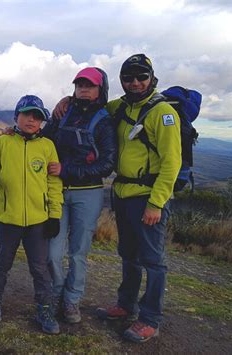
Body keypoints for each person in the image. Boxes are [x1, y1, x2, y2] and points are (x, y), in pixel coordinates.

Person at [54, 54, 181, 343]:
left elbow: (172, 163)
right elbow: (89, 103)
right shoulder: (120, 107)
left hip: (148, 195)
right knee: (128, 254)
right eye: (128, 77)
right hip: (122, 193)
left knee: (153, 259)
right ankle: (126, 305)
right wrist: (66, 99)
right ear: (121, 81)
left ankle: (150, 319)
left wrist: (156, 203)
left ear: (151, 78)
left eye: (141, 77)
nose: (135, 83)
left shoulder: (162, 113)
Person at [0, 95, 64, 335]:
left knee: (40, 267)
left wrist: (54, 215)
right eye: (27, 114)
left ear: (42, 122)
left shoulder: (47, 146)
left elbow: (53, 182)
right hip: (8, 218)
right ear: (16, 116)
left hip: (38, 221)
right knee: (2, 263)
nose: (31, 120)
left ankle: (45, 309)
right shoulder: (3, 143)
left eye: (37, 116)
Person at [43, 67, 116, 323]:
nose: (83, 89)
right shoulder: (63, 113)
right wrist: (15, 134)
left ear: (100, 89)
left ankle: (71, 302)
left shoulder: (105, 120)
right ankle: (56, 293)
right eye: (79, 84)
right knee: (52, 252)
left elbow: (107, 164)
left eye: (90, 85)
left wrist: (66, 169)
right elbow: (41, 140)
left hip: (89, 194)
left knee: (77, 253)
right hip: (58, 193)